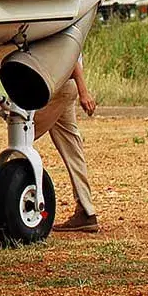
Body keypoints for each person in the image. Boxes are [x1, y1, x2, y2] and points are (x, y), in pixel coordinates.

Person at [33, 55, 100, 232]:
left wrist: (84, 91)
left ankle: (4, 203)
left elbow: (70, 56)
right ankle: (86, 212)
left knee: (20, 140)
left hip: (57, 88)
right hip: (65, 88)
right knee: (72, 149)